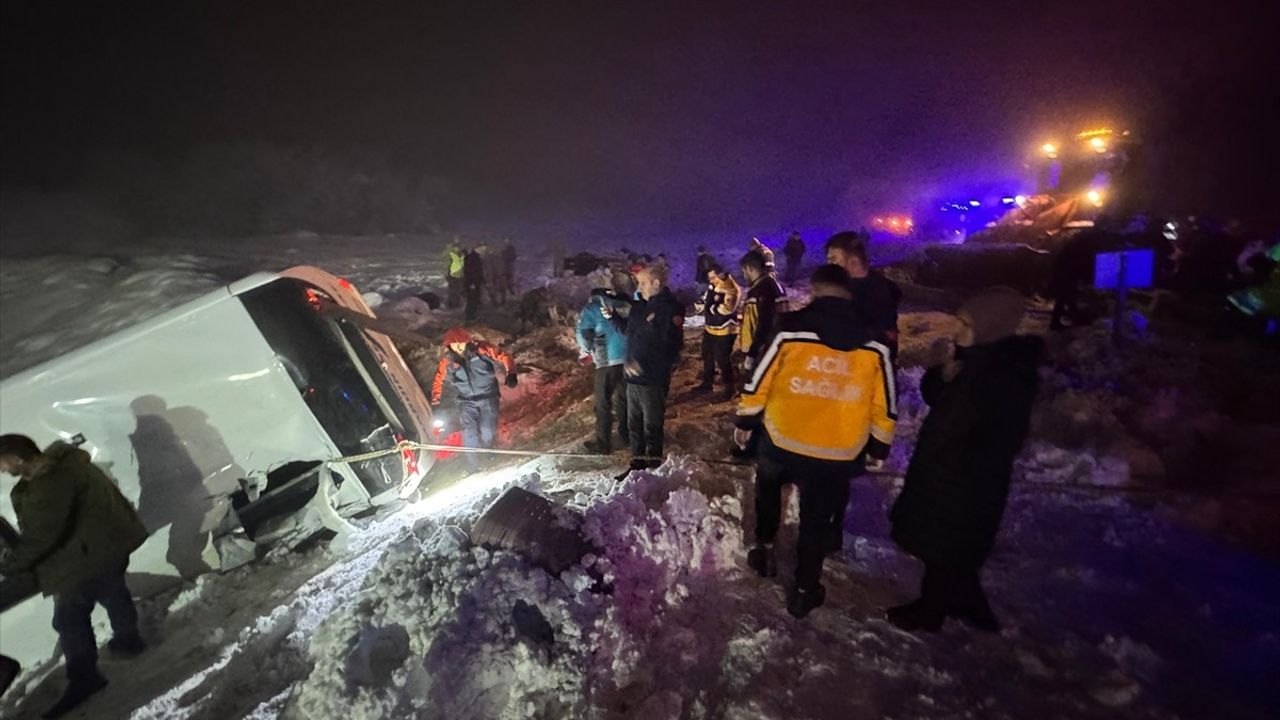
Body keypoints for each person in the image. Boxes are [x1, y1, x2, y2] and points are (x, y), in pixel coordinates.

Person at [735, 265, 896, 618]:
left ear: (815, 290)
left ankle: (764, 552)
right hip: (836, 450)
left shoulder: (790, 328)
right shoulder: (875, 341)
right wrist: (879, 446)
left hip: (782, 438)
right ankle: (805, 590)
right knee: (816, 520)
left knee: (768, 493)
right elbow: (884, 401)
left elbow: (761, 376)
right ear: (847, 291)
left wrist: (746, 419)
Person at [887, 287, 1040, 633]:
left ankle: (931, 612)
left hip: (965, 477)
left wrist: (952, 455)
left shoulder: (1002, 375)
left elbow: (994, 433)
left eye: (966, 324)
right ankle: (971, 606)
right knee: (950, 546)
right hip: (948, 470)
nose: (956, 329)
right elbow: (938, 399)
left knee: (945, 544)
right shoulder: (974, 361)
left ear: (990, 329)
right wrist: (942, 374)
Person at [0, 434, 150, 719]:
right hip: (107, 545)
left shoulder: (49, 483)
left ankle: (85, 678)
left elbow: (42, 537)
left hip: (85, 557)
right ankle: (129, 639)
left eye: (3, 463)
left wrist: (10, 566)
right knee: (113, 592)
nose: (3, 470)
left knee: (68, 620)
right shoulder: (66, 464)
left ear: (18, 457)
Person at [609, 264, 683, 469]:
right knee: (634, 426)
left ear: (656, 283)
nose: (639, 288)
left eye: (642, 283)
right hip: (632, 378)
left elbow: (671, 347)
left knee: (652, 426)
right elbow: (630, 332)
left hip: (651, 379)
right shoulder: (641, 307)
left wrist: (643, 364)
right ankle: (637, 465)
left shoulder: (668, 308)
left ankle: (652, 468)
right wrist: (613, 318)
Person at [430, 328, 518, 465]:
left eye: (461, 342)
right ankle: (473, 465)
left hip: (488, 397)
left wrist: (511, 372)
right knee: (469, 433)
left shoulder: (482, 350)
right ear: (449, 345)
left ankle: (488, 455)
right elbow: (438, 380)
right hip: (466, 401)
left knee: (487, 430)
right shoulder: (447, 361)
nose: (458, 346)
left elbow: (504, 357)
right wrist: (435, 402)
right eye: (454, 344)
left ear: (467, 342)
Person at [576, 272, 631, 454]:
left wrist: (587, 350)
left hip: (606, 360)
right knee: (624, 400)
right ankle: (627, 435)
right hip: (629, 360)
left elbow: (583, 333)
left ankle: (603, 443)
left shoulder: (592, 308)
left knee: (603, 403)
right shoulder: (624, 304)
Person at [825, 231, 901, 358]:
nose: (829, 265)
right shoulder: (833, 288)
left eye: (833, 259)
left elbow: (890, 335)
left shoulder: (882, 289)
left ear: (853, 261)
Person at [694, 265, 741, 398]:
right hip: (711, 328)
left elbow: (726, 309)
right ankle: (707, 383)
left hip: (726, 330)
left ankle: (730, 388)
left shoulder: (731, 288)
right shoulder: (713, 285)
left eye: (713, 277)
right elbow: (707, 298)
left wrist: (709, 308)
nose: (711, 280)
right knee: (707, 354)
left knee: (722, 359)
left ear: (721, 274)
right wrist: (702, 304)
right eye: (709, 278)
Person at [736, 251, 787, 373]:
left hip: (763, 352)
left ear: (750, 268)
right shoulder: (772, 286)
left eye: (744, 272)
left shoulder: (762, 291)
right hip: (770, 348)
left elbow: (764, 324)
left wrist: (751, 355)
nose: (744, 276)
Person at [463, 244, 485, 322]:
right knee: (472, 300)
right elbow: (469, 272)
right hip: (472, 283)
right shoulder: (471, 258)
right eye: (482, 249)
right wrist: (472, 283)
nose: (484, 251)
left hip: (475, 282)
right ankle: (470, 317)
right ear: (477, 248)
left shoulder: (476, 257)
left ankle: (472, 316)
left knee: (474, 299)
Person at [444, 239, 465, 309]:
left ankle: (457, 304)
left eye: (458, 247)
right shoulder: (451, 254)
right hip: (452, 276)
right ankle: (452, 305)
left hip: (460, 276)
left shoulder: (461, 255)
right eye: (456, 247)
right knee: (453, 291)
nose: (457, 249)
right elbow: (447, 254)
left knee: (459, 290)